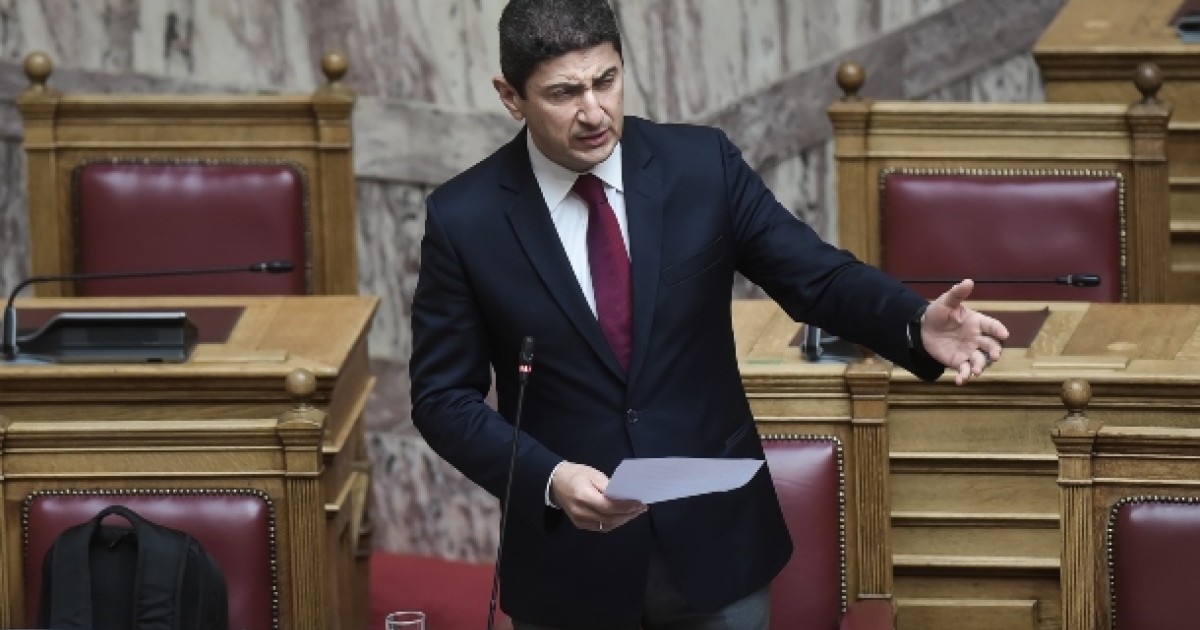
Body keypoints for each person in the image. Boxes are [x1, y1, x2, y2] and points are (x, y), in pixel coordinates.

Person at [409, 1, 1009, 628]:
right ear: (511, 96)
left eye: (606, 80)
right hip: (568, 565)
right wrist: (549, 477)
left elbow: (816, 276)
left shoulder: (701, 166)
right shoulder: (465, 220)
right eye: (564, 93)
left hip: (715, 545)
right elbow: (442, 397)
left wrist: (912, 321)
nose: (593, 112)